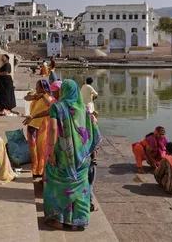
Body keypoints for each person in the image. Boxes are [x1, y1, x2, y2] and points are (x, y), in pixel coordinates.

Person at [43, 79, 102, 230]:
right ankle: (76, 222)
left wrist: (51, 152)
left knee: (56, 182)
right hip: (82, 156)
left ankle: (58, 219)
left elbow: (53, 130)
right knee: (80, 186)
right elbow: (93, 130)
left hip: (63, 153)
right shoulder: (84, 108)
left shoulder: (57, 106)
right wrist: (90, 150)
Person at [22, 80, 53, 176]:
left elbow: (50, 104)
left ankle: (41, 170)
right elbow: (26, 97)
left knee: (41, 148)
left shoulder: (48, 97)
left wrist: (43, 96)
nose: (35, 88)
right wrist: (36, 96)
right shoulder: (36, 95)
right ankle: (35, 169)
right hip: (31, 124)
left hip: (42, 126)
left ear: (43, 88)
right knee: (32, 148)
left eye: (37, 86)